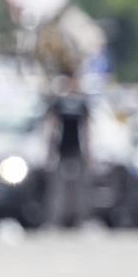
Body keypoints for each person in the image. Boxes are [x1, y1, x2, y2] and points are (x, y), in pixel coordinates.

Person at [48, 72, 90, 228]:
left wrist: (89, 153)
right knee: (58, 188)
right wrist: (49, 150)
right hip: (62, 148)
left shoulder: (82, 103)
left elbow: (86, 130)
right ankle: (57, 219)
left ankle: (79, 219)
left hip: (77, 149)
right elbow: (52, 127)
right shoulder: (59, 102)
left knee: (79, 187)